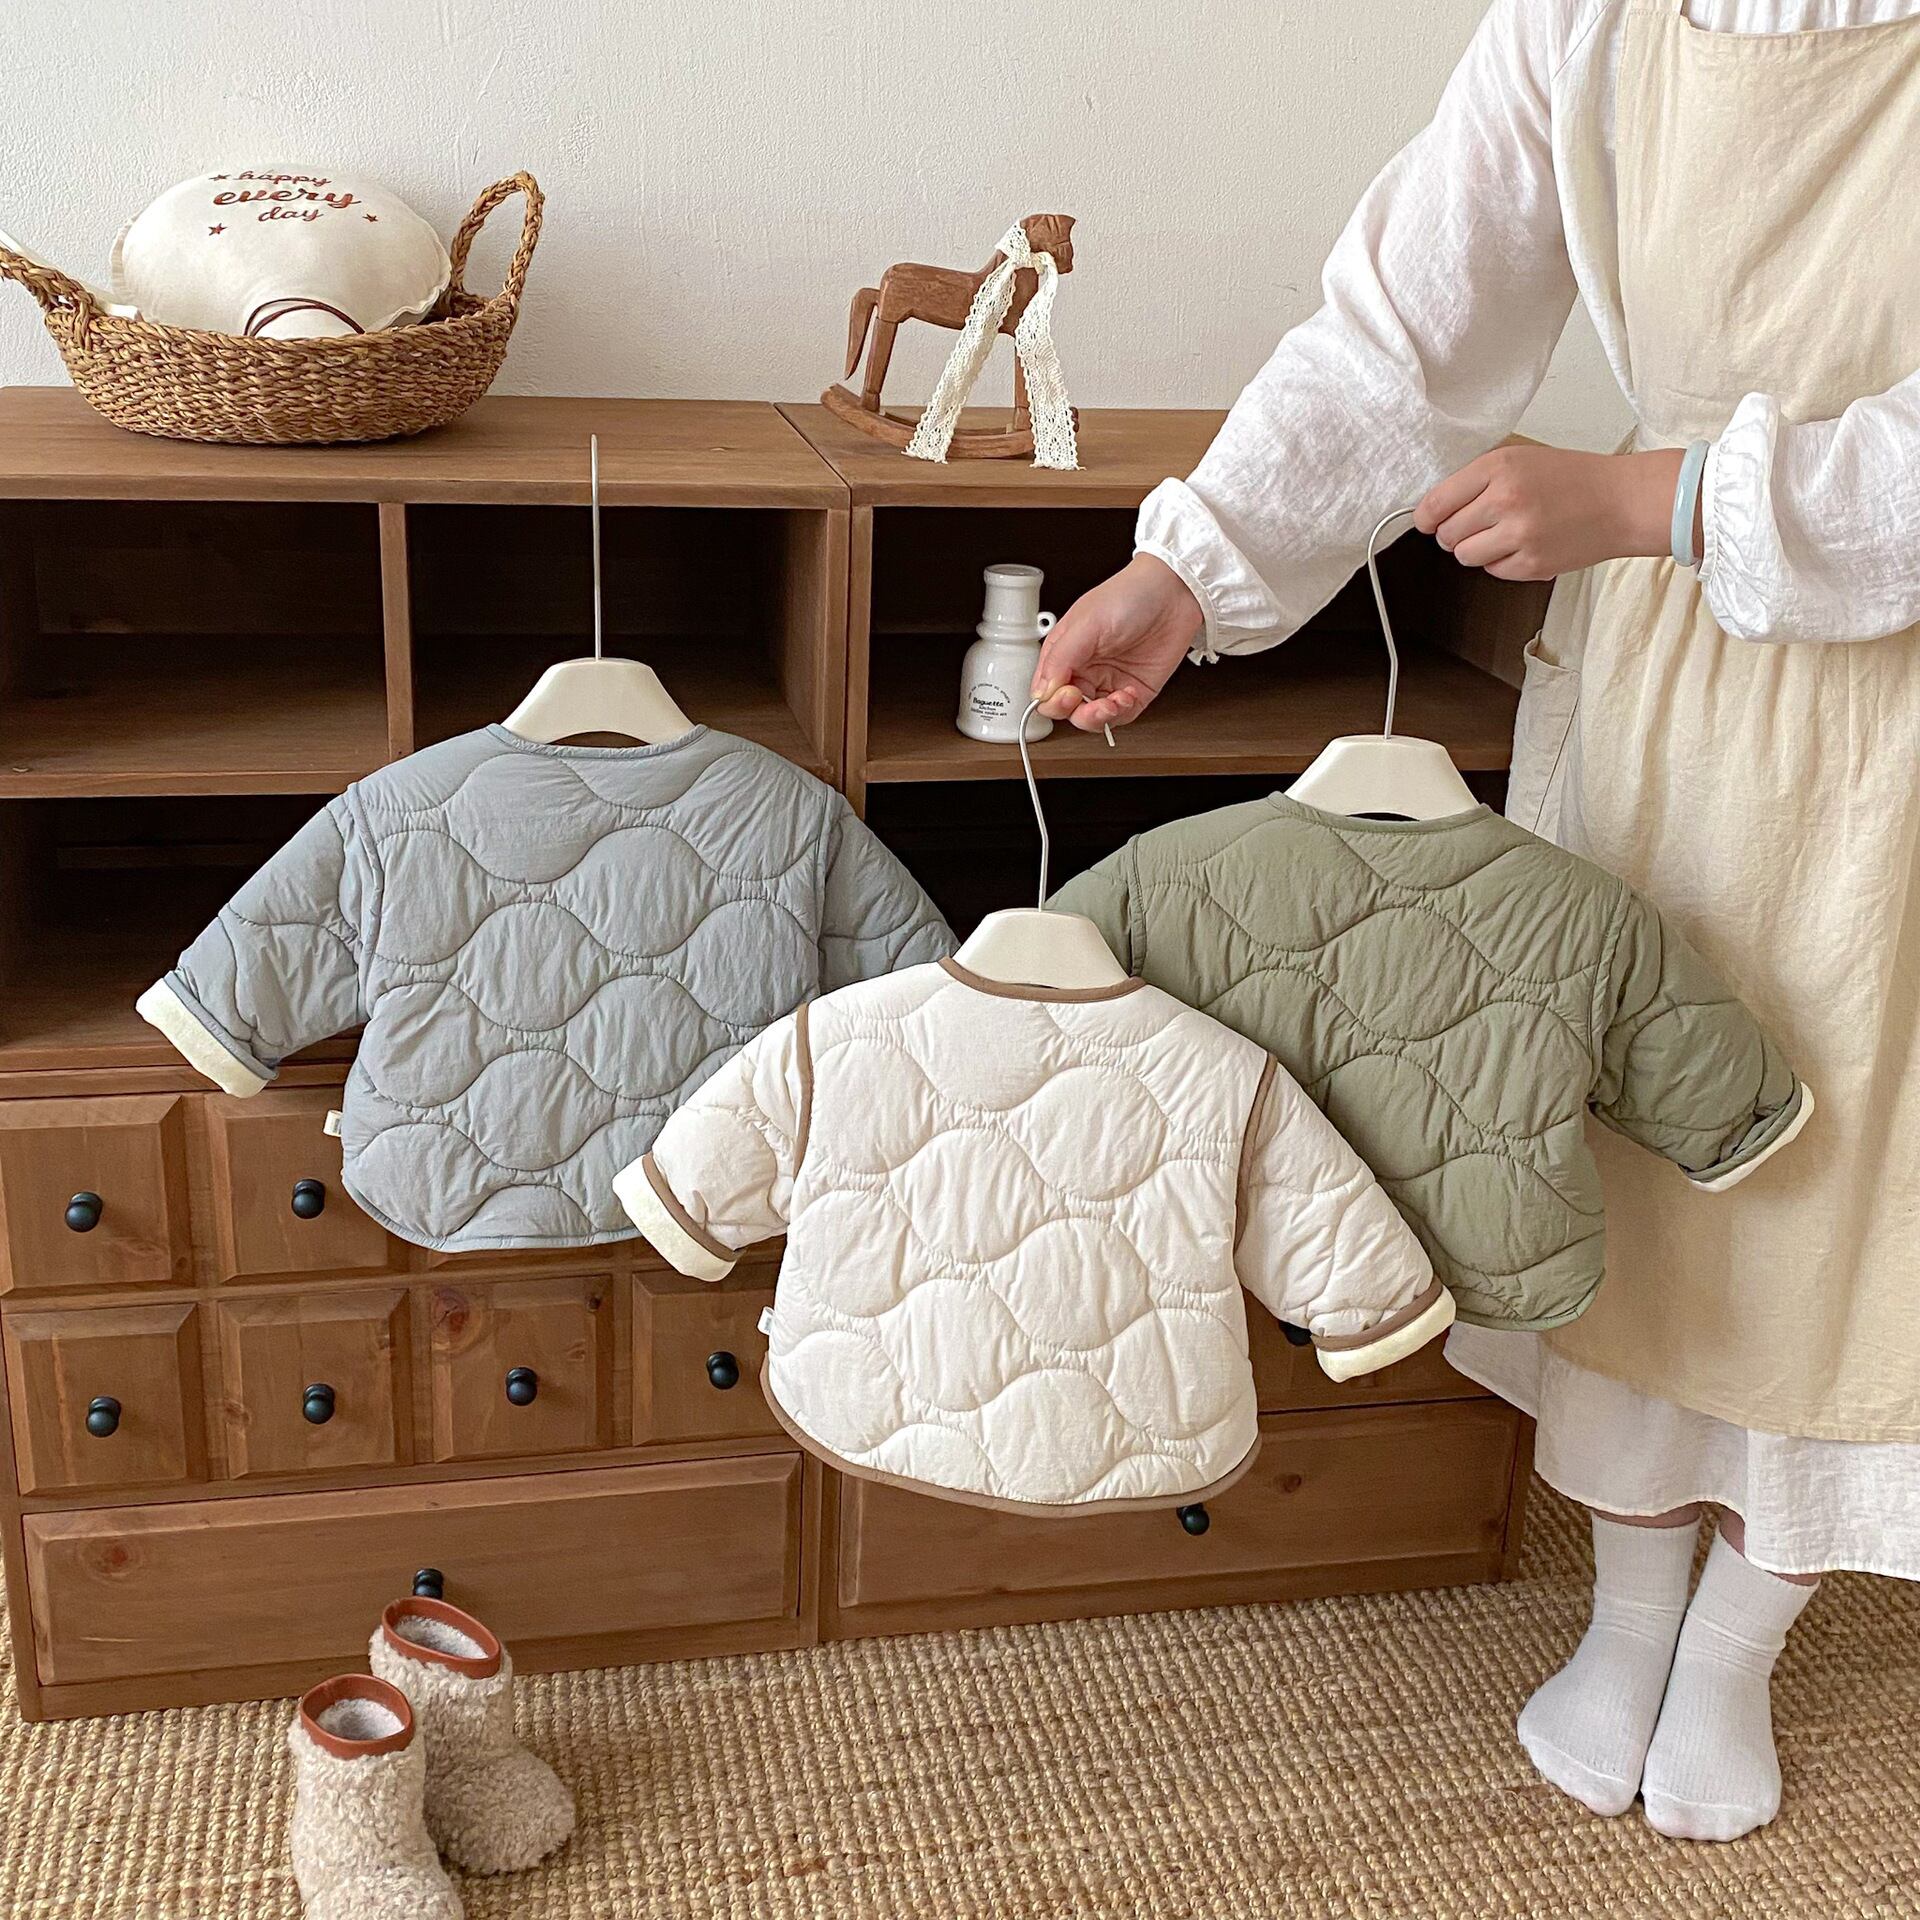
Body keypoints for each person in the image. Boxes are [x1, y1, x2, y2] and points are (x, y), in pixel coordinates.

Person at [1032, 0, 1920, 1844]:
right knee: (1619, 1171)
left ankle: (1737, 1651)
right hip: (1672, 692)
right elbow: (1406, 331)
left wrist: (1663, 495)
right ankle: (1629, 1614)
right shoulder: (1590, 20)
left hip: (1889, 694)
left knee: (1858, 1211)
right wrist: (1189, 568)